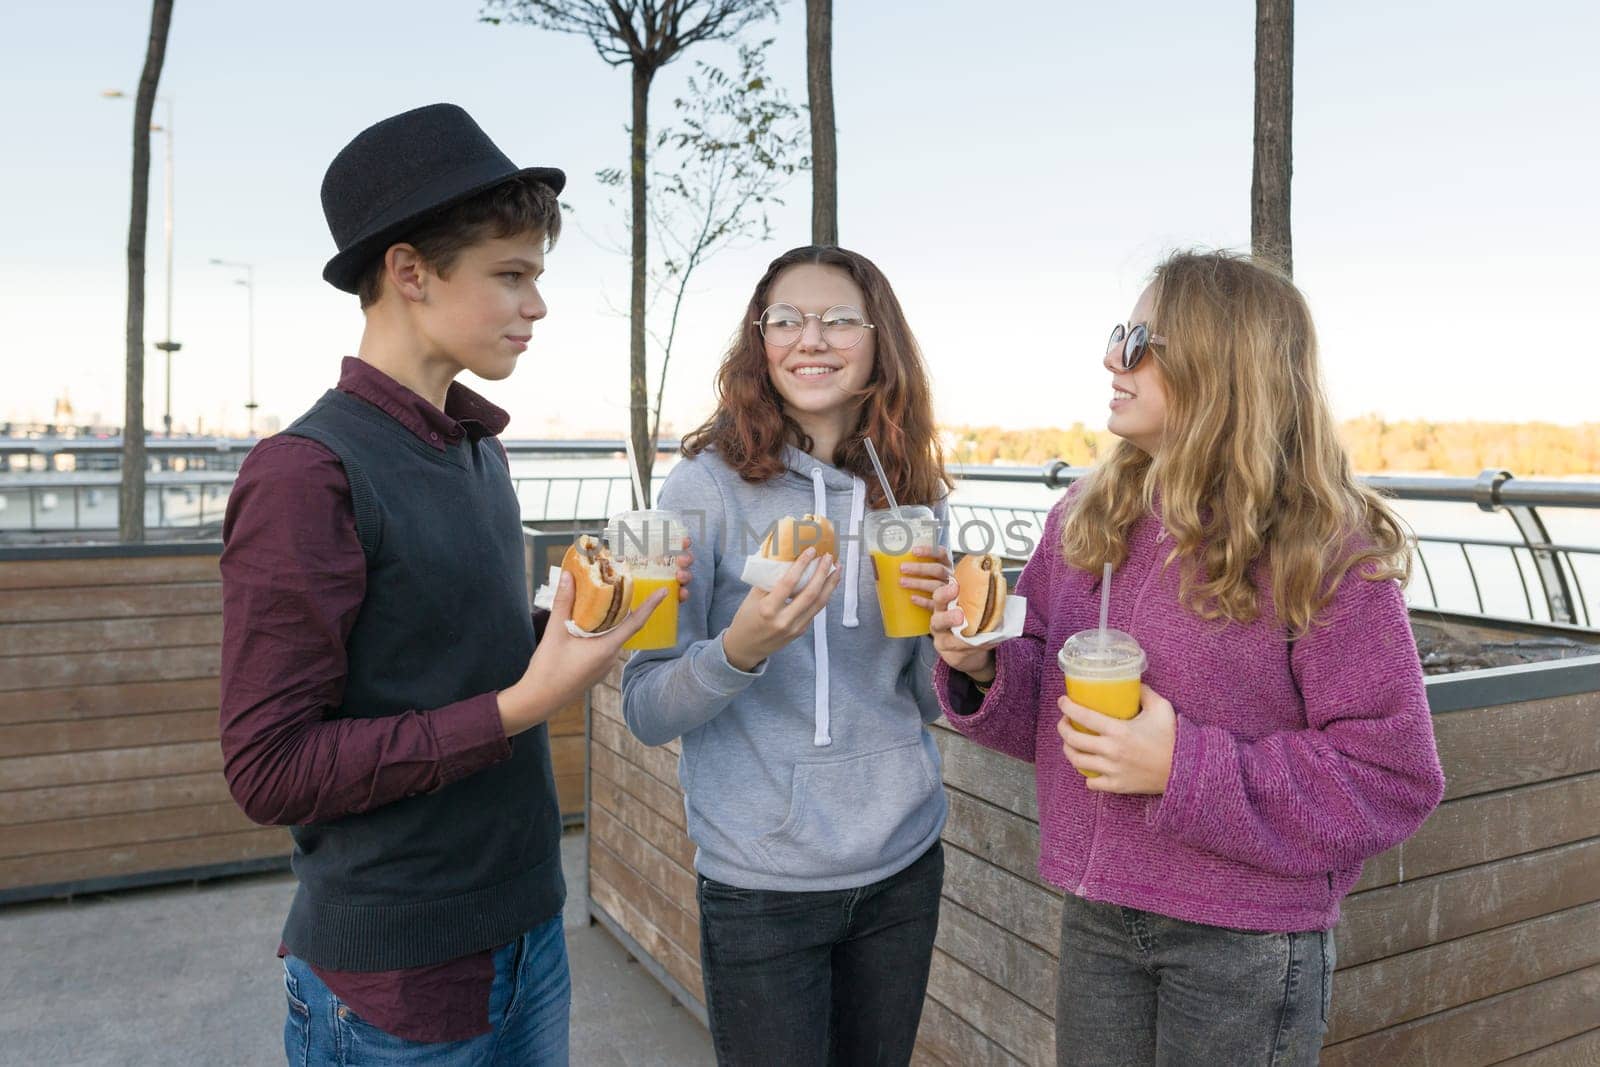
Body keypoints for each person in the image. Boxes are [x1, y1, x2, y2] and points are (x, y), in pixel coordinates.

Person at [219, 103, 687, 1066]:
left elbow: (438, 649)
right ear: (409, 272)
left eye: (537, 277)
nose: (538, 305)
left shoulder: (476, 446)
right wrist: (524, 704)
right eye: (511, 276)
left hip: (530, 933)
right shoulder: (306, 473)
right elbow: (268, 768)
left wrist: (573, 622)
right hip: (394, 987)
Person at [928, 250, 1445, 1066]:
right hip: (1100, 914)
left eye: (1140, 338)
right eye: (1117, 335)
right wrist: (984, 667)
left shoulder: (1323, 551)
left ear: (1220, 362)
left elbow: (1393, 775)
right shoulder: (1083, 518)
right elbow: (1046, 700)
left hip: (1246, 939)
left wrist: (1181, 765)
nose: (1112, 357)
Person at [621, 245, 954, 1065]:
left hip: (903, 865)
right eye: (787, 319)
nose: (813, 337)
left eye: (839, 318)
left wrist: (957, 647)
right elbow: (644, 704)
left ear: (879, 341)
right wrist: (741, 648)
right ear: (759, 341)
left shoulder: (913, 491)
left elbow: (924, 698)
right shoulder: (699, 489)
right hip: (759, 882)